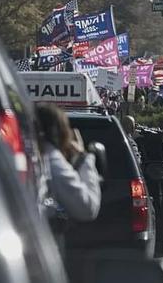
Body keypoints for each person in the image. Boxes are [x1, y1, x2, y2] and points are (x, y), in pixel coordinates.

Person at [37, 104, 101, 250]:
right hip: (43, 247)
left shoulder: (22, 154)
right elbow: (87, 207)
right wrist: (84, 159)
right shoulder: (52, 159)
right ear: (60, 133)